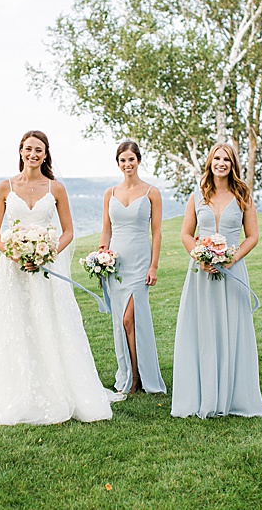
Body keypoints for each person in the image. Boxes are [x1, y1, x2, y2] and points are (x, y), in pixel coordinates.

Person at [0, 131, 120, 425]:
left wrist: (46, 253)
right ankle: (15, 390)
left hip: (45, 269)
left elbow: (68, 232)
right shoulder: (5, 187)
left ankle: (59, 389)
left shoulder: (56, 189)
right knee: (15, 326)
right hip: (12, 271)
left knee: (49, 323)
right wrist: (12, 252)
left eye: (38, 150)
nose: (33, 154)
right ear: (21, 151)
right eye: (28, 149)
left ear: (46, 153)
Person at [170, 143, 262, 419]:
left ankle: (232, 395)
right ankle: (202, 394)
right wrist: (201, 258)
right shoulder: (197, 196)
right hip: (201, 273)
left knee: (231, 328)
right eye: (216, 158)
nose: (221, 163)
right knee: (203, 329)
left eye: (226, 159)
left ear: (233, 164)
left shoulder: (243, 195)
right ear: (210, 162)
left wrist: (231, 259)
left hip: (232, 271)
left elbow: (252, 236)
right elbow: (187, 234)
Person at [98, 141, 166, 395]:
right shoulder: (110, 193)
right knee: (121, 321)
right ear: (118, 163)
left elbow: (157, 232)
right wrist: (101, 253)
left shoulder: (151, 193)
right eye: (123, 160)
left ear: (138, 161)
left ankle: (139, 376)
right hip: (116, 263)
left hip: (139, 261)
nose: (127, 164)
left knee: (130, 319)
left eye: (131, 159)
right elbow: (107, 228)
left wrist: (154, 266)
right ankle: (128, 372)